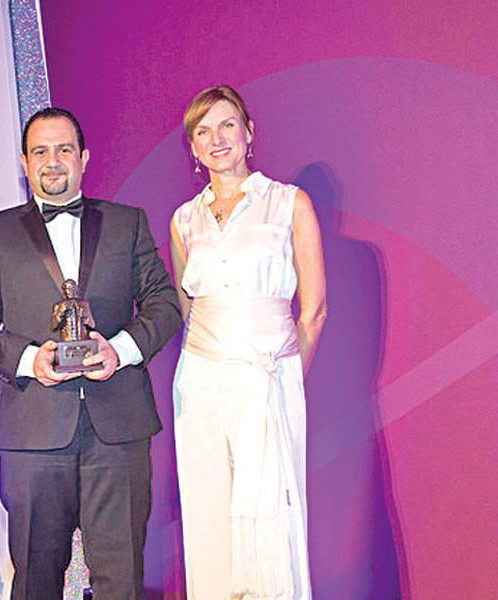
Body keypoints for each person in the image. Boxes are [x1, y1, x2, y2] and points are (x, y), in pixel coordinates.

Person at [0, 107, 180, 599]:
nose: (52, 161)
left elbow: (165, 304)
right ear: (24, 162)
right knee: (35, 583)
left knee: (121, 582)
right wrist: (30, 359)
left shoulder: (127, 223)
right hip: (32, 434)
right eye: (40, 151)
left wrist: (119, 350)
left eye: (63, 149)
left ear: (84, 158)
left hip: (118, 432)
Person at [170, 86, 327, 600]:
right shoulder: (184, 219)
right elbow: (188, 309)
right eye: (203, 131)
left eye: (227, 125)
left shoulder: (288, 202)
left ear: (249, 132)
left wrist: (284, 376)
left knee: (275, 513)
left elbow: (314, 310)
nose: (217, 139)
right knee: (208, 514)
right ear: (194, 148)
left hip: (268, 378)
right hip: (200, 383)